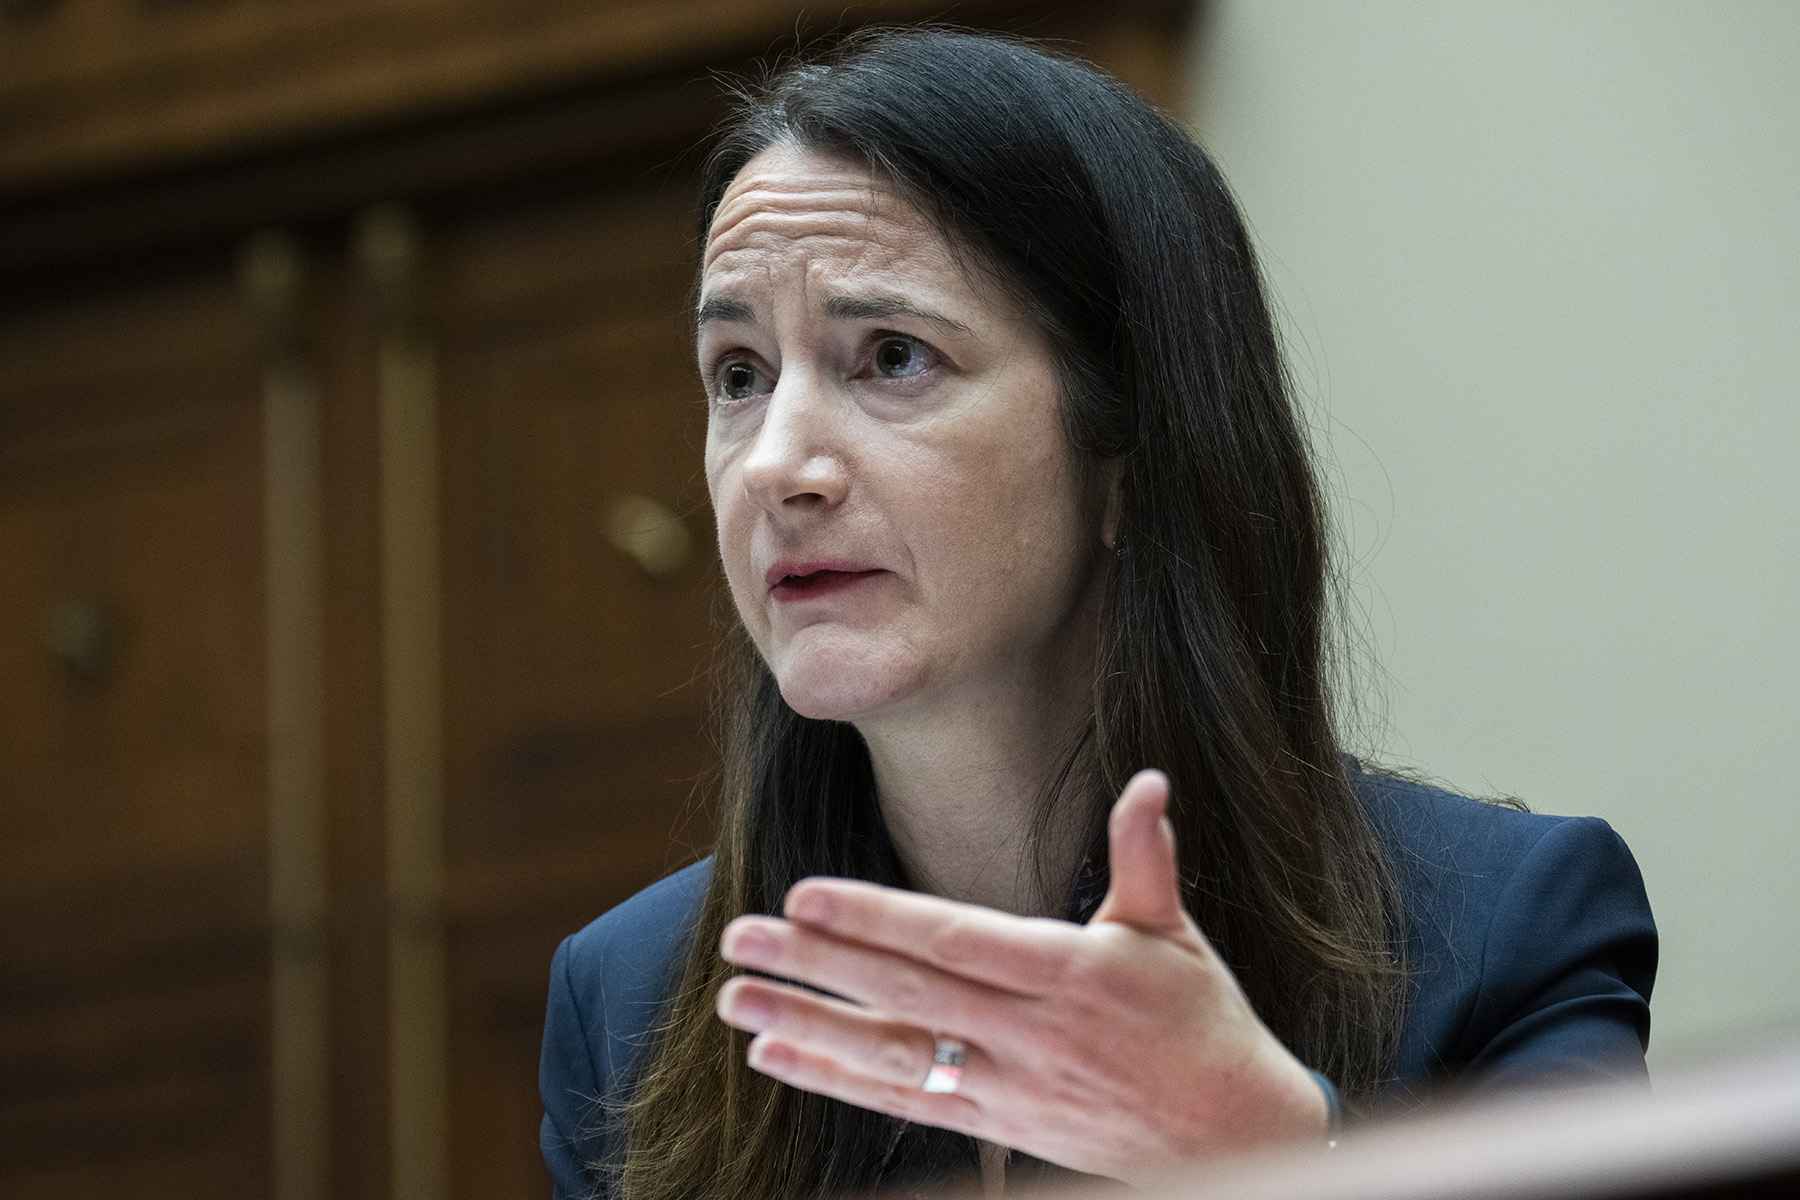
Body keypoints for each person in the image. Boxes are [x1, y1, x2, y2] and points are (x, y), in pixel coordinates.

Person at [539, 27, 1656, 1200]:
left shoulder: (1507, 933)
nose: (775, 466)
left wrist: (1280, 1163)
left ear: (1126, 449)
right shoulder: (628, 997)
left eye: (892, 357)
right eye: (738, 374)